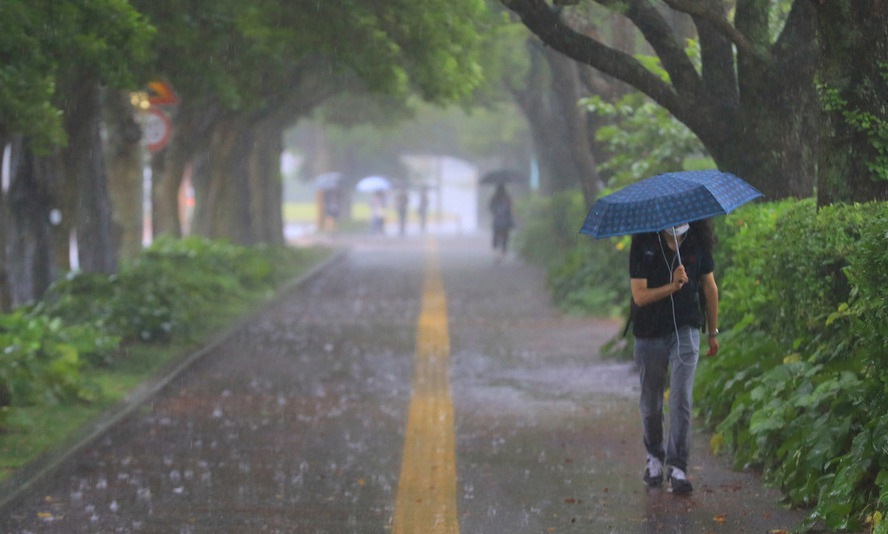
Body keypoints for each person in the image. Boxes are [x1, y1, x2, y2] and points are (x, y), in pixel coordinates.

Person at [629, 219, 719, 495]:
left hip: (685, 331)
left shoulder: (697, 241)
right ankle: (654, 457)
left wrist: (712, 332)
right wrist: (672, 286)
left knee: (681, 398)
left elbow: (709, 287)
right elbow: (639, 296)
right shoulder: (644, 240)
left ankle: (678, 467)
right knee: (652, 402)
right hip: (649, 333)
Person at [488, 184, 514, 259]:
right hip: (506, 221)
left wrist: (495, 212)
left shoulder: (494, 198)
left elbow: (491, 209)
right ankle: (503, 253)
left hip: (497, 221)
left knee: (496, 237)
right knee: (505, 238)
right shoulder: (507, 198)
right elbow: (510, 209)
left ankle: (496, 253)